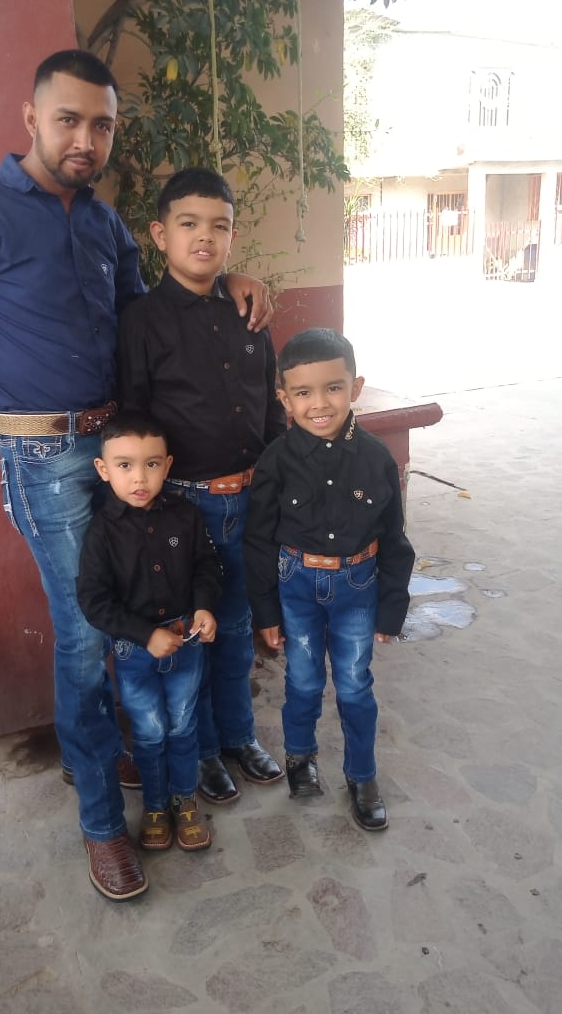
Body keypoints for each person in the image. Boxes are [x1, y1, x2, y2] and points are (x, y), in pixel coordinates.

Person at [0, 50, 273, 901]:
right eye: (69, 119)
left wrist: (220, 277)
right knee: (87, 634)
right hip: (43, 459)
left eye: (102, 124)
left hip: (124, 452)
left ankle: (106, 751)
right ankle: (102, 824)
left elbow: (146, 318)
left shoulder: (107, 224)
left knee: (144, 606)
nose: (86, 139)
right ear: (31, 119)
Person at [117, 167, 287, 807]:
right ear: (161, 235)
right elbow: (134, 419)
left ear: (233, 236)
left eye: (220, 226)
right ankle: (207, 749)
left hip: (248, 501)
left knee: (238, 628)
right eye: (188, 224)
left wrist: (274, 484)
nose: (205, 237)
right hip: (183, 506)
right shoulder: (142, 321)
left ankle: (240, 736)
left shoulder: (249, 311)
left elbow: (270, 408)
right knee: (196, 631)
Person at [243, 328, 415, 831]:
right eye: (303, 392)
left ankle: (362, 777)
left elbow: (395, 538)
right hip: (296, 586)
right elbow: (258, 540)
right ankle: (300, 758)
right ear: (284, 398)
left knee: (355, 686)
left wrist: (391, 608)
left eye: (333, 388)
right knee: (303, 681)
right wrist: (266, 611)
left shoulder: (376, 458)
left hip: (357, 589)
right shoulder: (275, 461)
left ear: (355, 387)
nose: (319, 404)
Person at [76, 411, 222, 865]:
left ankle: (184, 800)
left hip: (186, 643)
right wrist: (144, 635)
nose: (139, 478)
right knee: (150, 730)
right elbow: (93, 601)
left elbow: (207, 566)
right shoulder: (101, 532)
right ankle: (156, 806)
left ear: (168, 464)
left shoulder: (185, 516)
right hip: (134, 653)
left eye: (152, 464)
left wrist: (204, 606)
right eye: (125, 465)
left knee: (183, 724)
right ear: (103, 469)